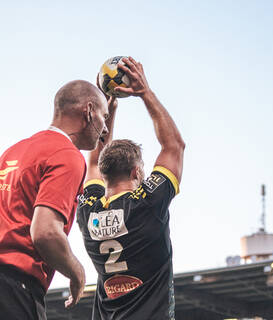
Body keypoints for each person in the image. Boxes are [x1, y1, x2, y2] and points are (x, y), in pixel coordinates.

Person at [77, 57, 185, 320]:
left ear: (104, 176)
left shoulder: (87, 210)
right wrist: (144, 92)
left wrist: (108, 109)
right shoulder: (147, 204)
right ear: (137, 172)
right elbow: (174, 147)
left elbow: (93, 159)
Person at [0, 80, 109, 320]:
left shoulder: (14, 151)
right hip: (15, 288)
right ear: (89, 111)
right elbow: (45, 232)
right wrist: (76, 272)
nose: (106, 129)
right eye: (104, 116)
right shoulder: (67, 155)